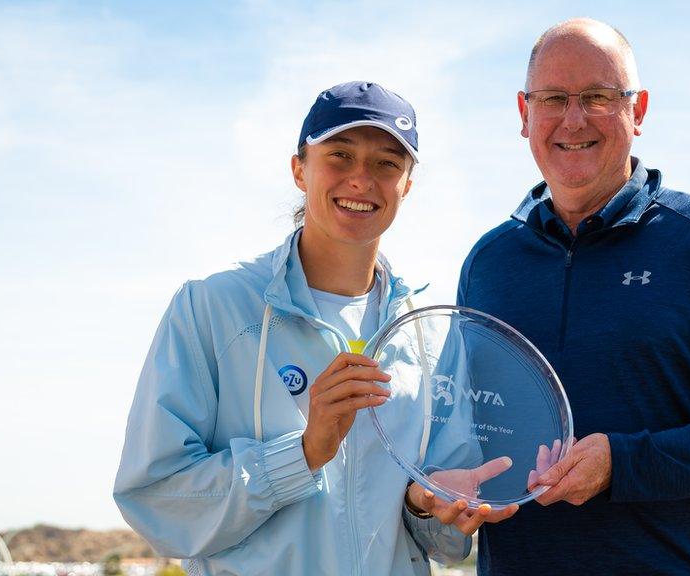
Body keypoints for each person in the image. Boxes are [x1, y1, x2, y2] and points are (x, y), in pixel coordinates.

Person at [458, 19, 690, 575]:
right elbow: (467, 426)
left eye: (598, 97)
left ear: (638, 111)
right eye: (554, 99)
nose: (574, 119)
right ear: (524, 114)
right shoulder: (488, 262)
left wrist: (625, 464)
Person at [114, 81, 515, 575]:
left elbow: (439, 541)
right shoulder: (210, 308)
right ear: (299, 169)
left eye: (387, 163)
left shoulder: (431, 334)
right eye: (340, 155)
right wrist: (304, 452)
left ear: (407, 184)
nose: (362, 179)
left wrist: (428, 507)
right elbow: (157, 497)